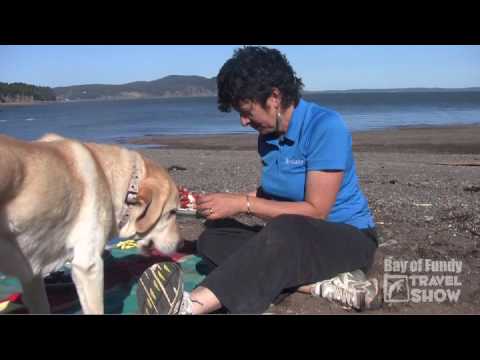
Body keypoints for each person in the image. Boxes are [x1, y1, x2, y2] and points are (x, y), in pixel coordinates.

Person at [136, 46, 379, 315]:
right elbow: (271, 195)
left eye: (247, 111)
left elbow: (316, 212)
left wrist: (242, 203)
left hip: (347, 238)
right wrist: (209, 204)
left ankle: (188, 307)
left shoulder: (325, 126)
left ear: (274, 97)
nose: (243, 121)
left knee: (286, 231)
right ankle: (319, 286)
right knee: (213, 238)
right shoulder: (267, 136)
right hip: (292, 240)